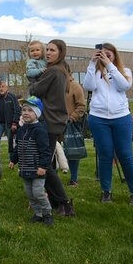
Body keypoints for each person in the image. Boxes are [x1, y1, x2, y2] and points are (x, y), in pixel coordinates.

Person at [83, 42, 133, 205]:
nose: (105, 56)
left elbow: (124, 86)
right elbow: (88, 86)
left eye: (108, 54)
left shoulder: (125, 71)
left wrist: (109, 65)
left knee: (125, 154)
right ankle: (106, 191)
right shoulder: (95, 71)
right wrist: (92, 63)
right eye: (102, 53)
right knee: (105, 154)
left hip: (121, 117)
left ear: (115, 55)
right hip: (98, 118)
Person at [29, 40, 76, 214]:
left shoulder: (53, 71)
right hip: (54, 120)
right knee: (44, 162)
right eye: (47, 49)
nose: (48, 53)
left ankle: (64, 203)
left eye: (52, 50)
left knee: (44, 164)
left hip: (49, 121)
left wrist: (31, 84)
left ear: (60, 53)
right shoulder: (61, 69)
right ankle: (56, 201)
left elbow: (35, 90)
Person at [10, 97, 53, 226]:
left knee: (38, 193)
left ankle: (47, 213)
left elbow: (46, 151)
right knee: (30, 194)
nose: (26, 113)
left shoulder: (40, 130)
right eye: (24, 110)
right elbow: (18, 147)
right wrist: (13, 160)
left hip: (37, 169)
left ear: (37, 113)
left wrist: (43, 166)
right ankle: (38, 214)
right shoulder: (21, 130)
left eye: (30, 110)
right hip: (25, 168)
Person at [64, 68, 87, 187]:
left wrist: (72, 118)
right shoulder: (53, 85)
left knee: (72, 151)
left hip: (70, 123)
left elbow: (81, 106)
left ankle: (74, 178)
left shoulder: (75, 86)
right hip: (54, 123)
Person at [0, 81, 20, 165]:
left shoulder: (12, 97)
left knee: (10, 143)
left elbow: (17, 110)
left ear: (7, 87)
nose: (1, 88)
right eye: (0, 87)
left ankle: (12, 161)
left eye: (3, 86)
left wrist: (14, 123)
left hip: (9, 124)